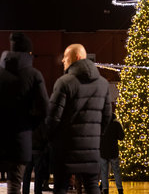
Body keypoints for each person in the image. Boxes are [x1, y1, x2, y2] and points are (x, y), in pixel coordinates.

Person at [0, 32, 49, 194]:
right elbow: (44, 109)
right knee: (14, 185)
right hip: (20, 140)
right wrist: (29, 124)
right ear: (28, 54)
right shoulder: (34, 75)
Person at [46, 44, 111, 194]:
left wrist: (51, 140)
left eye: (66, 57)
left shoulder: (64, 83)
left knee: (61, 187)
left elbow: (52, 119)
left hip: (65, 149)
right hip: (92, 150)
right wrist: (95, 136)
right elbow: (107, 116)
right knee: (92, 186)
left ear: (77, 58)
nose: (62, 60)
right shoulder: (102, 84)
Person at [100, 111, 124, 194]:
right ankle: (120, 190)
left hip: (103, 151)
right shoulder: (116, 124)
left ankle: (105, 189)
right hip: (113, 151)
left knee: (104, 171)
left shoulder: (101, 124)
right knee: (116, 171)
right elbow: (121, 137)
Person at [22, 122, 49, 194]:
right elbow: (45, 136)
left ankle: (25, 191)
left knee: (26, 174)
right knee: (38, 174)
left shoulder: (27, 122)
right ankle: (37, 191)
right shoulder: (41, 122)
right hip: (38, 150)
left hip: (28, 150)